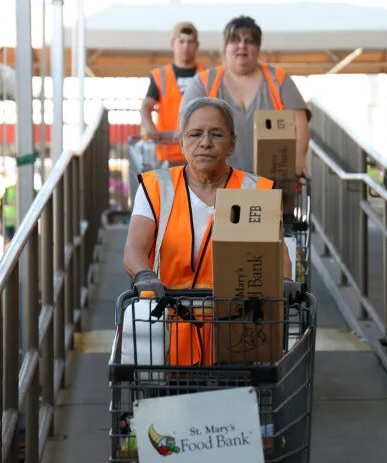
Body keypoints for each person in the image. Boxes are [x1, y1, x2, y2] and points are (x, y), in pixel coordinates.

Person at [124, 97, 298, 366]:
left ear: (232, 144)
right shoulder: (156, 188)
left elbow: (277, 253)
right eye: (195, 134)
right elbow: (134, 249)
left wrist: (284, 280)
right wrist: (144, 274)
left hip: (239, 334)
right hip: (169, 330)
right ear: (181, 143)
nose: (205, 142)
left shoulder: (256, 191)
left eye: (216, 134)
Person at [180, 16, 310, 177]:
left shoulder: (279, 80)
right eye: (235, 40)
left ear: (258, 48)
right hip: (217, 181)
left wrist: (298, 161)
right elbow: (186, 126)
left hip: (274, 181)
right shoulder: (203, 82)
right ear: (225, 47)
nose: (242, 46)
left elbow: (300, 122)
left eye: (249, 41)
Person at [141, 22, 205, 164]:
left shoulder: (208, 75)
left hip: (201, 152)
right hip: (169, 152)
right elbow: (146, 105)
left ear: (197, 45)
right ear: (173, 44)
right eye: (181, 41)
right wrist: (149, 126)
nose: (185, 46)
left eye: (190, 42)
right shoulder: (160, 75)